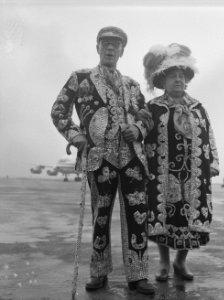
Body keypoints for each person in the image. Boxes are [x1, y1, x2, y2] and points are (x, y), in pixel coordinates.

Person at [51, 26, 155, 296]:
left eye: (116, 44)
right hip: (99, 159)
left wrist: (139, 130)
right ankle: (99, 273)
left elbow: (146, 117)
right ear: (97, 47)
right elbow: (58, 110)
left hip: (132, 159)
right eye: (105, 43)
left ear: (122, 51)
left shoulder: (132, 85)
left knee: (138, 215)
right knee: (101, 216)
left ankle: (139, 275)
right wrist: (75, 136)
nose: (110, 48)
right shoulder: (81, 78)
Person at [141, 43, 220, 282]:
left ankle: (180, 262)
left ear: (187, 80)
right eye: (173, 76)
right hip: (162, 175)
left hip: (195, 174)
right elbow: (142, 135)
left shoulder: (198, 108)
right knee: (163, 217)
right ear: (162, 81)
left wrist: (213, 161)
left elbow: (210, 135)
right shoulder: (153, 108)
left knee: (191, 218)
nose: (178, 80)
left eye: (182, 76)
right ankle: (164, 262)